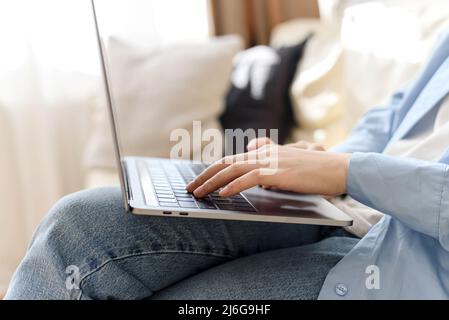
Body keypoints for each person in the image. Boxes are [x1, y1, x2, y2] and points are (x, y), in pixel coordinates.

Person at [5, 28, 449, 300]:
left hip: (410, 256)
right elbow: (396, 113)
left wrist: (350, 170)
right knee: (76, 226)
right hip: (347, 205)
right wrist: (332, 161)